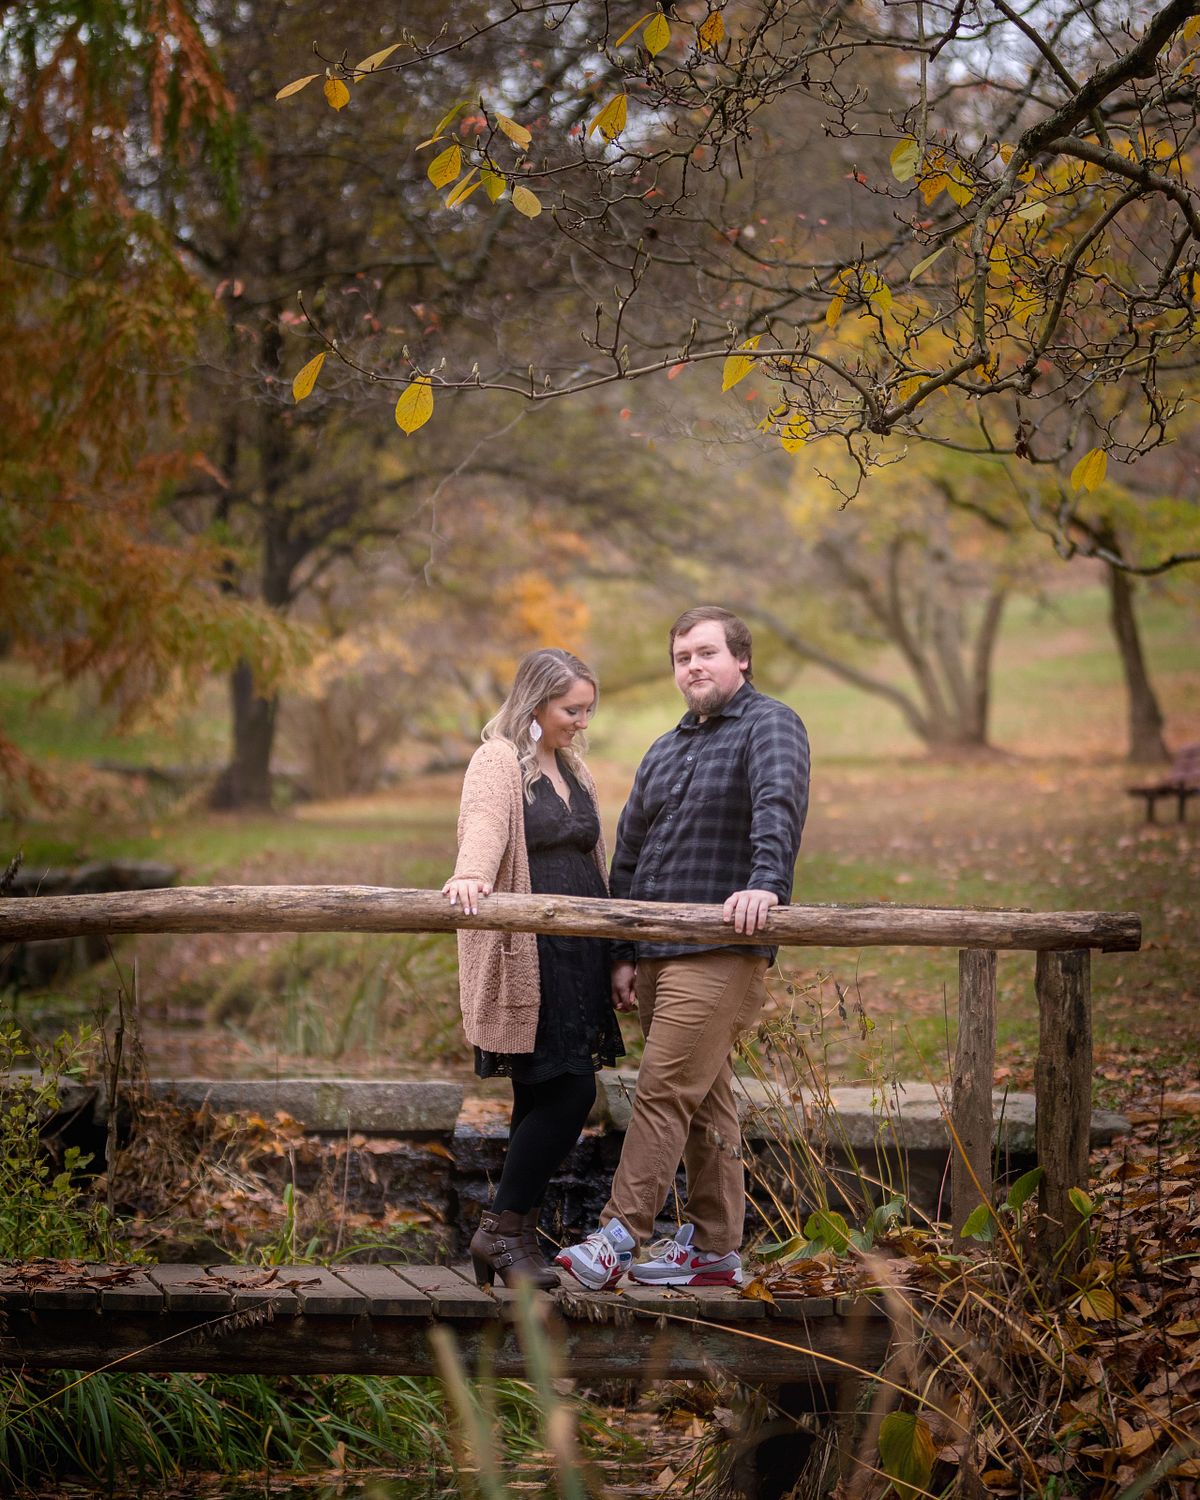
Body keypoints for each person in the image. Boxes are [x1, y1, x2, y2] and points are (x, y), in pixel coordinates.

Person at [556, 606, 809, 1291]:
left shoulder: (770, 724)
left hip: (724, 946)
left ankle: (618, 1235)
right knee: (704, 1098)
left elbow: (778, 805)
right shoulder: (664, 749)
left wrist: (766, 884)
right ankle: (717, 1248)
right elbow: (631, 854)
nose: (692, 666)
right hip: (656, 955)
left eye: (705, 653)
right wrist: (622, 950)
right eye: (681, 658)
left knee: (664, 1088)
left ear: (741, 659)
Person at [443, 647, 624, 1288]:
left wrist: (616, 954)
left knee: (542, 1094)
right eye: (572, 709)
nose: (581, 721)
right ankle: (500, 1228)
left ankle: (513, 1240)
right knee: (570, 1090)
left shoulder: (574, 767)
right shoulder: (498, 761)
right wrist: (469, 874)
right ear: (537, 703)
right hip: (532, 955)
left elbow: (595, 863)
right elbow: (485, 826)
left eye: (587, 710)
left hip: (581, 953)